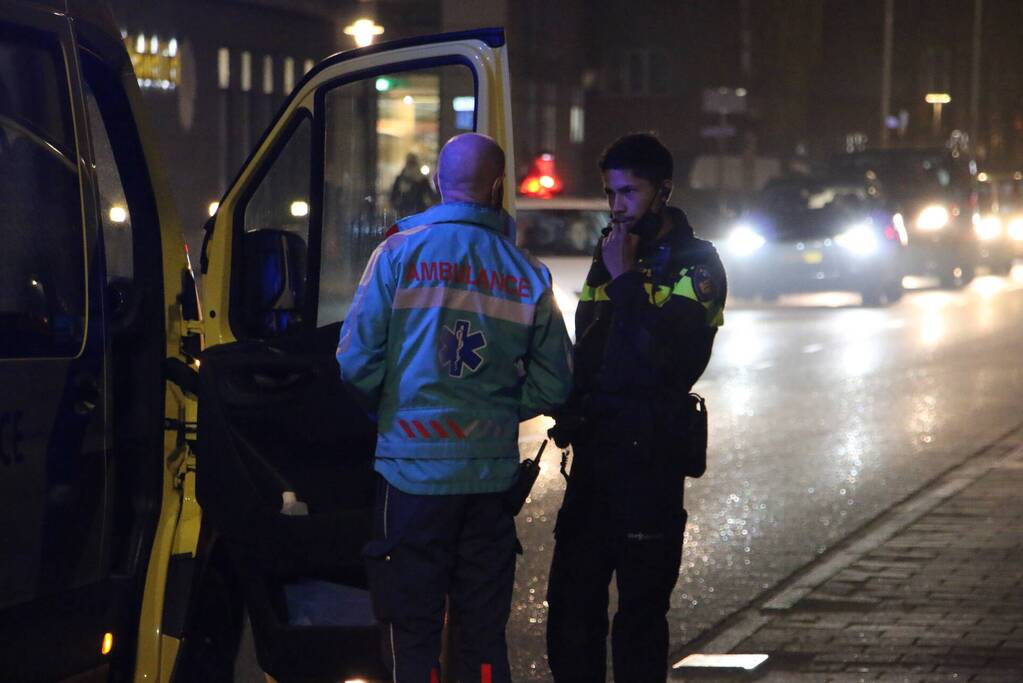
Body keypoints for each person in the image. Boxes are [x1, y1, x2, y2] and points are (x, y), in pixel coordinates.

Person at [337, 133, 573, 682]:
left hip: (411, 476)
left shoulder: (398, 252)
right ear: (497, 188)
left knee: (411, 631)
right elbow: (557, 381)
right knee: (482, 632)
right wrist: (496, 411)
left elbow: (354, 361)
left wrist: (395, 409)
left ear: (441, 184)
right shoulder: (527, 272)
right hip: (488, 479)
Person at [545, 133, 726, 682]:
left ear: (663, 191)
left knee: (641, 617)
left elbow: (667, 362)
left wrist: (625, 278)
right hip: (596, 454)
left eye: (629, 191)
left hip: (651, 459)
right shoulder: (611, 250)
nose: (617, 205)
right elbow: (594, 347)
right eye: (610, 193)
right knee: (571, 609)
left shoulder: (699, 264)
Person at [390, 152, 438, 216]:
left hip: (417, 212)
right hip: (405, 213)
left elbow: (430, 195)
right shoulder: (401, 179)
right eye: (410, 163)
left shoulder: (422, 180)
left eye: (413, 163)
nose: (411, 167)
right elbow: (394, 197)